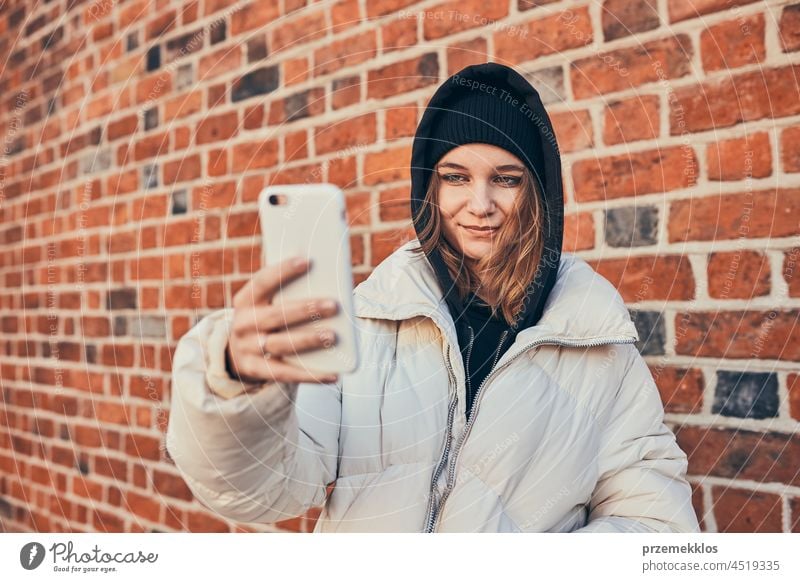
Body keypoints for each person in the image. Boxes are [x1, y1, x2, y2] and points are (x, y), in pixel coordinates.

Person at [166, 62, 700, 533]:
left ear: (539, 192)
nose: (480, 204)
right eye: (456, 177)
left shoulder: (597, 344)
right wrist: (237, 386)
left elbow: (657, 524)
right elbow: (265, 490)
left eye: (507, 179)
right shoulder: (369, 324)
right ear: (431, 187)